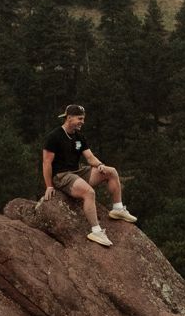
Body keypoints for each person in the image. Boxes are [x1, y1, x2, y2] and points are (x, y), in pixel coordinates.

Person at [42, 103, 137, 246]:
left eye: (83, 119)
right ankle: (96, 231)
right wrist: (49, 186)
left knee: (111, 172)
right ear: (69, 118)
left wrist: (100, 165)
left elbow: (90, 158)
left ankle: (117, 209)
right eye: (80, 118)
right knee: (89, 192)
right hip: (61, 176)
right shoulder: (54, 137)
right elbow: (46, 163)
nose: (83, 122)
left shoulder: (79, 137)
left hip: (77, 172)